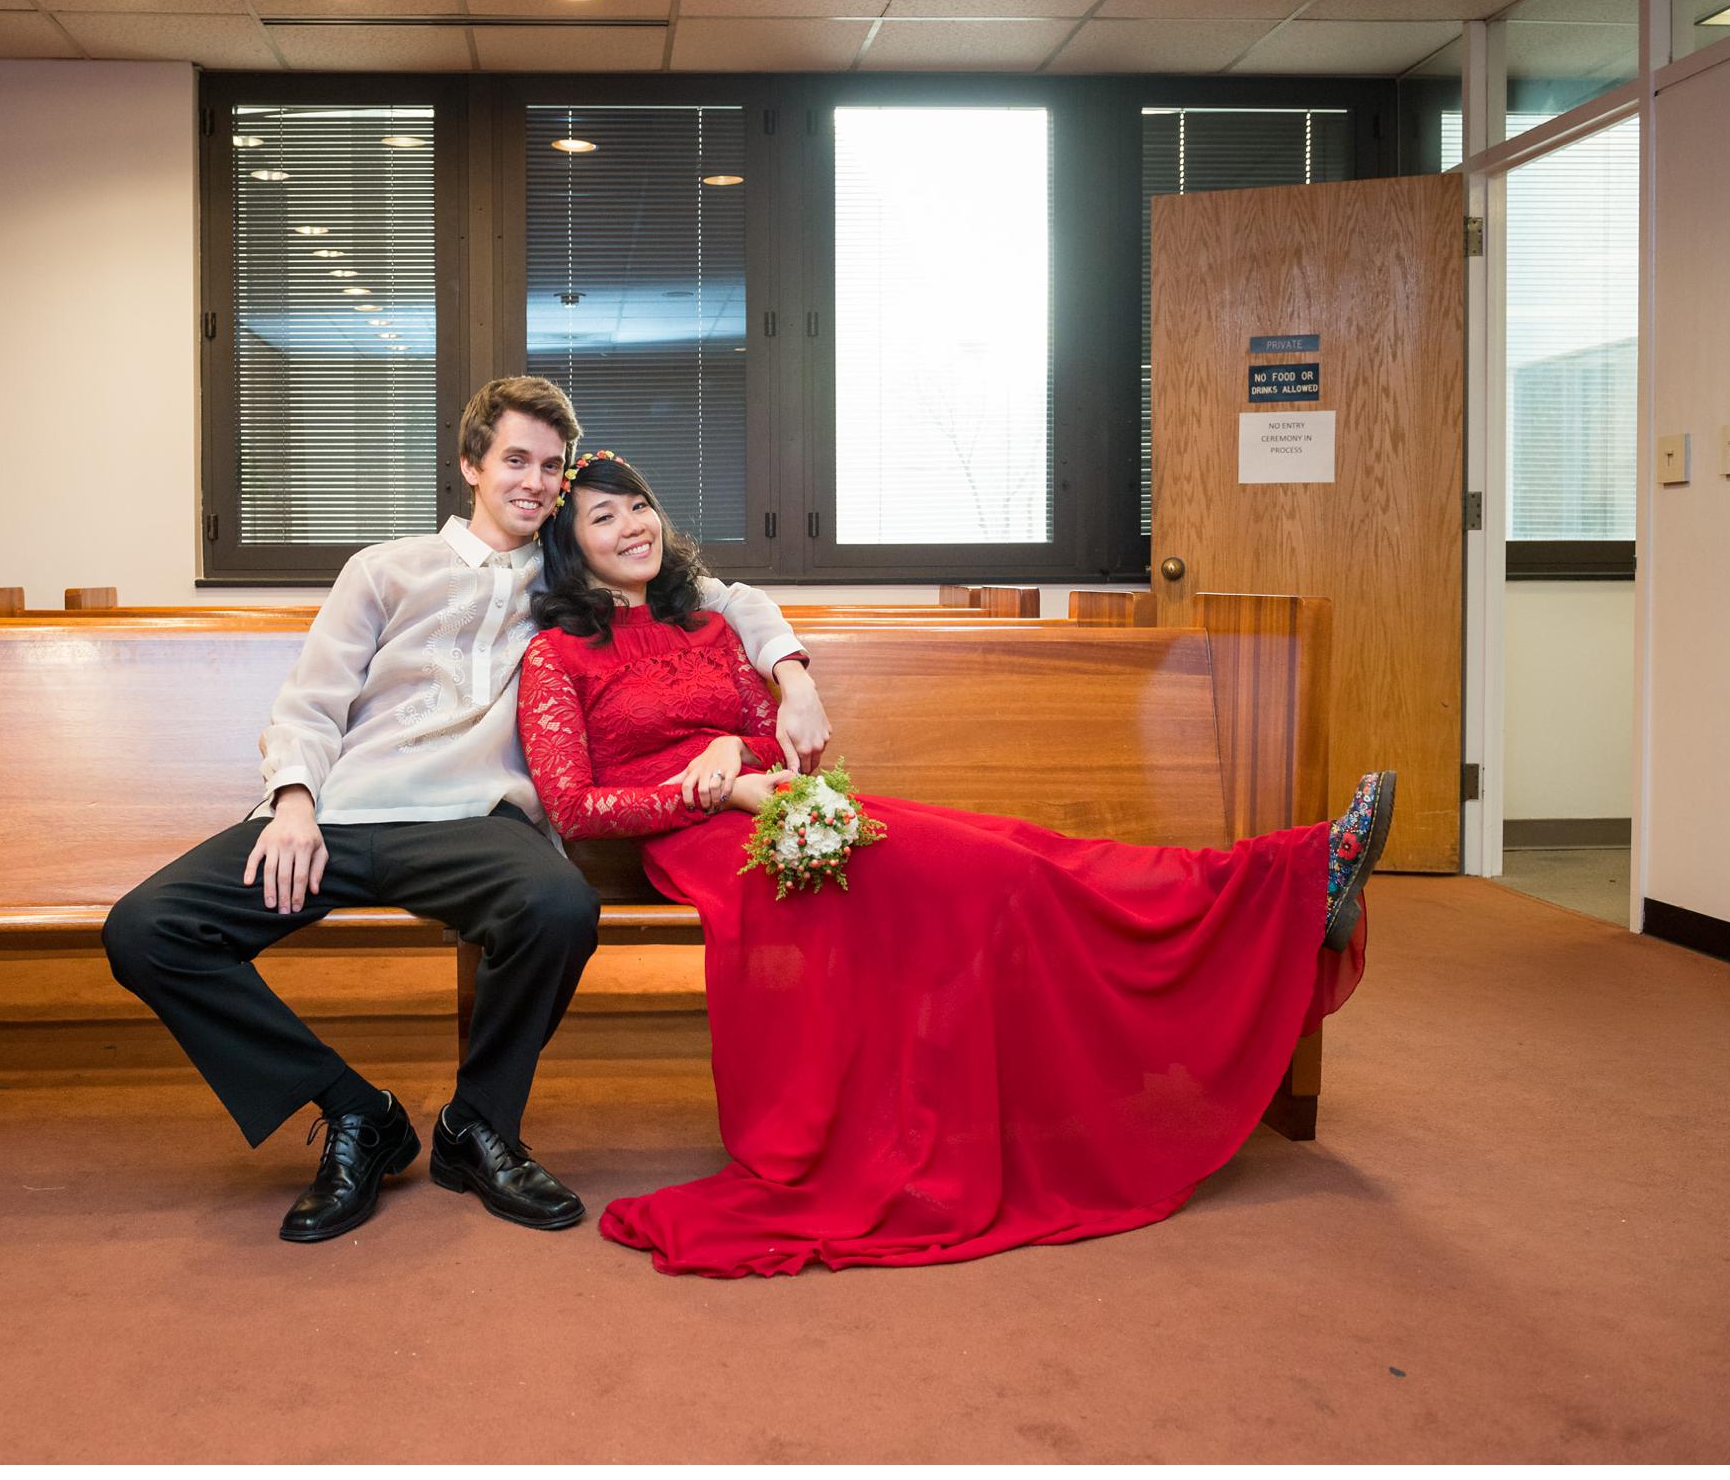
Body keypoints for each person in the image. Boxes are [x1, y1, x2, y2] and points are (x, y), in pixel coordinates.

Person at [517, 451, 1393, 1279]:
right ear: (570, 542)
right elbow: (573, 804)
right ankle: (1285, 884)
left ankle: (1279, 879)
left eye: (641, 506)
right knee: (998, 878)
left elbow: (768, 735)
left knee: (1016, 855)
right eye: (604, 515)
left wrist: (729, 749)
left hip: (791, 814)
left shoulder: (706, 626)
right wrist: (709, 792)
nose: (634, 525)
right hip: (722, 852)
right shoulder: (556, 655)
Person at [101, 379, 831, 1244]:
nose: (534, 480)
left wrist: (793, 673)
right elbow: (310, 703)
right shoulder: (384, 568)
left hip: (478, 824)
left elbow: (724, 597)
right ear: (470, 465)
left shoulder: (572, 576)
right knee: (146, 928)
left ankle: (477, 1125)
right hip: (341, 815)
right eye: (515, 459)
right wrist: (293, 802)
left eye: (550, 467)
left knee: (560, 906)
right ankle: (353, 1114)